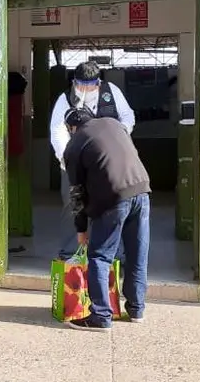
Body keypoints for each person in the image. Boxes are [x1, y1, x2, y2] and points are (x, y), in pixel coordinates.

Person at [62, 106, 150, 332]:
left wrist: (81, 230)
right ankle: (136, 309)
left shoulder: (74, 144)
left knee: (100, 257)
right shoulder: (114, 124)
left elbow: (77, 194)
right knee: (137, 254)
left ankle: (100, 316)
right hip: (142, 191)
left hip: (114, 198)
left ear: (72, 127)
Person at [49, 61, 135, 261]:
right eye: (81, 85)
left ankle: (111, 256)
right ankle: (70, 254)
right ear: (74, 82)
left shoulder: (111, 92)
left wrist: (118, 136)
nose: (86, 89)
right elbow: (57, 130)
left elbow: (127, 117)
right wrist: (66, 158)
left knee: (111, 206)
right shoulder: (66, 99)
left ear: (98, 82)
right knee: (73, 206)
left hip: (108, 162)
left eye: (91, 85)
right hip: (77, 160)